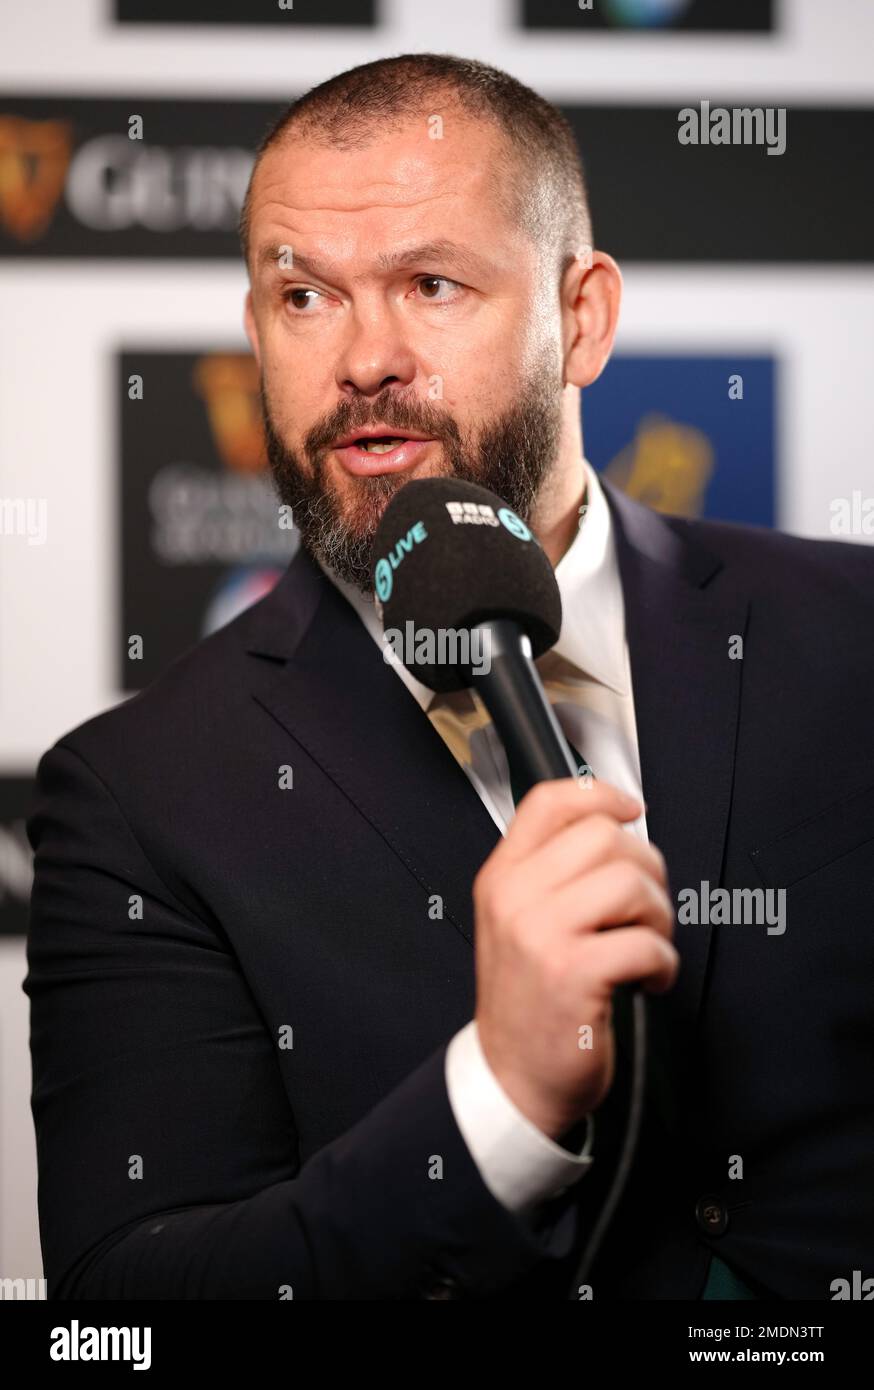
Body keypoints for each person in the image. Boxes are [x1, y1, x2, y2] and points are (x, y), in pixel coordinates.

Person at [25, 54, 874, 1301]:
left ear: (579, 317)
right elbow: (128, 1308)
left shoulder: (849, 633)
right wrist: (502, 1099)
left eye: (430, 283)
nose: (365, 358)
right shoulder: (137, 794)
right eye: (305, 296)